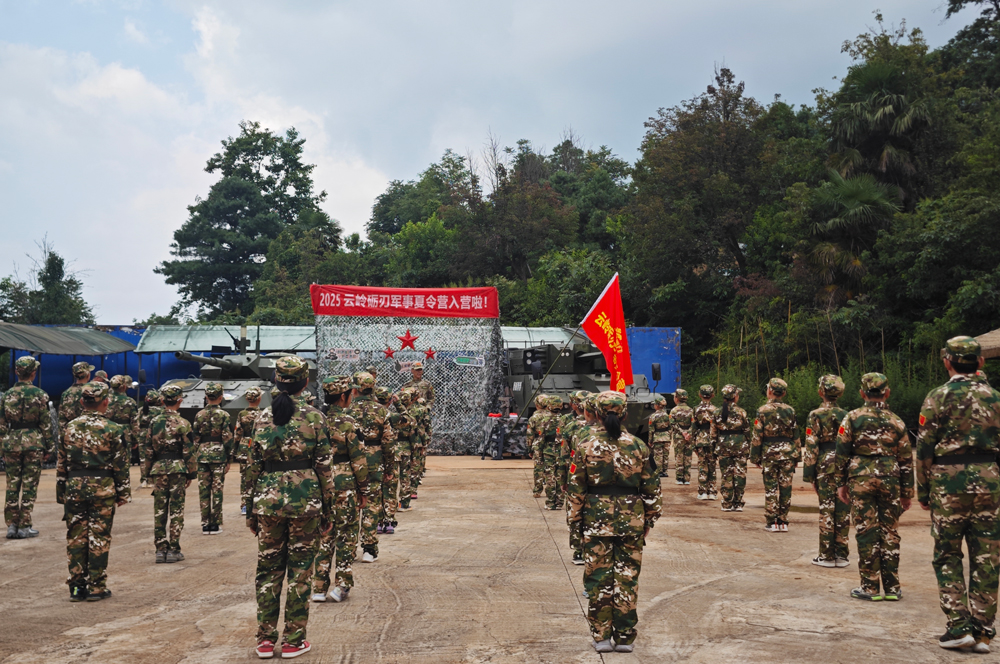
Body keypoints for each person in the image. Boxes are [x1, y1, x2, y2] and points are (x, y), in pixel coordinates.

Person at [245, 356, 334, 659]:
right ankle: (294, 641)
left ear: (276, 381)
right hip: (305, 503)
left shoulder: (261, 417)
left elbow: (252, 466)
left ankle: (265, 640)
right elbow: (324, 468)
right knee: (300, 572)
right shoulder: (315, 417)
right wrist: (328, 509)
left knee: (268, 571)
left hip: (267, 503)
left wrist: (249, 508)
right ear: (305, 382)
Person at [916, 336, 1000, 652]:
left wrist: (923, 490)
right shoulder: (996, 398)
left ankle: (958, 625)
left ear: (947, 362)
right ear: (981, 362)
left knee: (947, 554)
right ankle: (983, 631)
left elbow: (924, 447)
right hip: (989, 481)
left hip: (948, 483)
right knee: (987, 556)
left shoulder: (937, 397)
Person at [567, 391, 662, 653]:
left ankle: (601, 637)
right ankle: (624, 638)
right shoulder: (639, 446)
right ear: (625, 414)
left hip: (595, 520)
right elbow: (652, 487)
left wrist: (575, 522)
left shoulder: (585, 445)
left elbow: (575, 488)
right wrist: (649, 519)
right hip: (631, 520)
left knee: (598, 578)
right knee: (627, 578)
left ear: (596, 414)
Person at [835, 372, 913, 602]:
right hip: (890, 478)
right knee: (890, 531)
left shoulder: (851, 418)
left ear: (862, 393)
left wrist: (841, 483)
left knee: (866, 530)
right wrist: (907, 492)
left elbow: (841, 453)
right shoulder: (897, 421)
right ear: (887, 393)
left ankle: (870, 587)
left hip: (861, 478)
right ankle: (892, 588)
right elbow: (906, 459)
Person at [57, 381, 131, 602]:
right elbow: (120, 465)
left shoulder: (68, 428)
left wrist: (61, 492)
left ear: (82, 402)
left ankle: (76, 587)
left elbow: (61, 463)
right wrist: (123, 492)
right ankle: (96, 587)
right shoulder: (113, 428)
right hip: (102, 488)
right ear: (106, 402)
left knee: (75, 537)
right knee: (99, 537)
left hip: (74, 488)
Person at [311, 376, 369, 603]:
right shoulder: (348, 422)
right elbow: (358, 460)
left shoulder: (317, 420)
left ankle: (318, 587)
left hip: (320, 484)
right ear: (343, 396)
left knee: (324, 534)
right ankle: (341, 585)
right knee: (346, 535)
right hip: (345, 486)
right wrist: (363, 490)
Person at [1, 356, 54, 539]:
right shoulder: (40, 394)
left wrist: (2, 448)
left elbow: (1, 424)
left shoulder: (7, 395)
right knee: (30, 485)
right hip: (34, 442)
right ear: (33, 373)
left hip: (12, 442)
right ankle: (24, 525)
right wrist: (49, 447)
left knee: (12, 484)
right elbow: (46, 423)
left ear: (17, 372)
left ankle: (11, 525)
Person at [144, 385, 197, 563]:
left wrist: (147, 473)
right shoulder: (184, 423)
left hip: (159, 469)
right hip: (178, 469)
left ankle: (160, 550)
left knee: (159, 510)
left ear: (162, 400)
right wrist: (191, 473)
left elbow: (148, 449)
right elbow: (188, 450)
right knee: (176, 510)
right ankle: (174, 549)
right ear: (179, 401)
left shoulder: (154, 422)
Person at [802, 375, 850, 568]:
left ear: (820, 392)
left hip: (823, 464)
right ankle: (841, 555)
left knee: (826, 509)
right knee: (843, 509)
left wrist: (809, 474)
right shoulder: (847, 415)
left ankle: (826, 555)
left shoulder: (815, 415)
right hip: (843, 464)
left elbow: (811, 445)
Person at [349, 371, 394, 563]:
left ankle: (349, 549)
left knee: (352, 503)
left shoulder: (347, 411)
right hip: (375, 460)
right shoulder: (382, 411)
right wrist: (389, 468)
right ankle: (369, 549)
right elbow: (389, 442)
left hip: (352, 459)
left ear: (354, 390)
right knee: (373, 503)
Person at [750, 378, 799, 532]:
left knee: (770, 488)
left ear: (770, 391)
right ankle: (783, 521)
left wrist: (755, 456)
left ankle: (772, 522)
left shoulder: (762, 410)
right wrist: (797, 456)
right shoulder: (790, 410)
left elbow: (757, 435)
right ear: (783, 393)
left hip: (769, 453)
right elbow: (796, 434)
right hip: (788, 453)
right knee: (786, 488)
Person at [193, 382, 233, 535]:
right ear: (220, 397)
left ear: (206, 397)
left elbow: (195, 437)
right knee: (217, 490)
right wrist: (229, 458)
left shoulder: (199, 415)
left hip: (202, 455)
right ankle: (215, 524)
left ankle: (205, 524)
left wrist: (197, 454)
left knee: (203, 490)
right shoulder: (224, 415)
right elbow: (227, 437)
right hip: (219, 455)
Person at [559, 390, 591, 565]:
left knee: (576, 512)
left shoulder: (571, 426)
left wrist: (563, 480)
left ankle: (578, 551)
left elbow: (564, 456)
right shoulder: (608, 428)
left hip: (575, 474)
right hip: (599, 477)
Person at [711, 385, 752, 512]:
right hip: (740, 447)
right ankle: (738, 503)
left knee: (726, 475)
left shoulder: (717, 412)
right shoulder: (742, 412)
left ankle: (727, 503)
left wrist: (714, 449)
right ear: (735, 397)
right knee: (740, 474)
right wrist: (748, 445)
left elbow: (713, 433)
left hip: (723, 446)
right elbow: (747, 430)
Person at [234, 387, 264, 517]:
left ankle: (245, 504)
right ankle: (258, 503)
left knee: (244, 478)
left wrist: (235, 449)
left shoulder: (242, 414)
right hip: (257, 446)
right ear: (259, 398)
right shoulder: (263, 414)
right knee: (259, 475)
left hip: (244, 447)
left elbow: (237, 433)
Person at [374, 386, 400, 532]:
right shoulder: (391, 416)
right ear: (390, 401)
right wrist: (399, 404)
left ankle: (378, 521)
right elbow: (410, 421)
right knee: (389, 489)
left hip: (372, 456)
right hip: (389, 455)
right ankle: (389, 521)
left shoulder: (371, 414)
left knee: (376, 490)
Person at [105, 375, 138, 470]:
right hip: (124, 434)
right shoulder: (130, 401)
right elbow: (134, 422)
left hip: (106, 432)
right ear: (124, 386)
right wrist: (135, 439)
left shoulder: (105, 400)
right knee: (123, 462)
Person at [393, 389, 418, 513]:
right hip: (406, 448)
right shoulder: (410, 418)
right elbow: (413, 436)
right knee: (405, 476)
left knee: (392, 476)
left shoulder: (392, 416)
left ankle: (390, 503)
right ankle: (404, 503)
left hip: (393, 448)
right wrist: (414, 451)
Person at [134, 389, 164, 489]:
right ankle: (157, 478)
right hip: (157, 435)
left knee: (143, 459)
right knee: (157, 457)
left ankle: (145, 480)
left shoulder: (141, 410)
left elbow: (136, 424)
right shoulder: (161, 410)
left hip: (143, 436)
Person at [692, 386, 718, 500]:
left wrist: (693, 443)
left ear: (700, 395)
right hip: (712, 439)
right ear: (712, 395)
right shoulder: (716, 410)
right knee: (712, 465)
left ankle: (702, 491)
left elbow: (693, 427)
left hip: (701, 439)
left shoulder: (696, 409)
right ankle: (712, 491)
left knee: (702, 465)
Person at [58, 361, 94, 431]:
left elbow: (61, 418)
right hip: (88, 431)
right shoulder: (92, 391)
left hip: (71, 432)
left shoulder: (66, 393)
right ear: (88, 375)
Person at [669, 390, 694, 485]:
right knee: (688, 457)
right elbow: (694, 424)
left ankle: (679, 478)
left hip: (678, 437)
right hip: (689, 437)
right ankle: (687, 478)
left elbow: (672, 424)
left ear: (677, 398)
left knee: (679, 456)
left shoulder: (674, 411)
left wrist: (682, 432)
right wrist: (688, 433)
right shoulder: (691, 410)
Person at [527, 395, 548, 497]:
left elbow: (529, 435)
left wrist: (529, 449)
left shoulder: (534, 418)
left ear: (537, 405)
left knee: (538, 467)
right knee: (551, 467)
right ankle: (551, 490)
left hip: (538, 444)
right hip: (552, 445)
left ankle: (537, 491)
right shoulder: (555, 417)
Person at [646, 394, 671, 478]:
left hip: (657, 437)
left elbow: (651, 430)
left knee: (658, 455)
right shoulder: (667, 416)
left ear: (657, 405)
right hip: (666, 437)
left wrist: (650, 441)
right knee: (665, 455)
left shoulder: (653, 416)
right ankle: (665, 471)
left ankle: (659, 471)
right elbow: (670, 427)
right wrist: (669, 437)